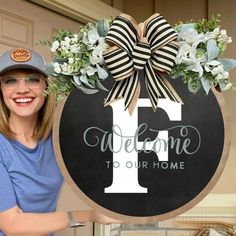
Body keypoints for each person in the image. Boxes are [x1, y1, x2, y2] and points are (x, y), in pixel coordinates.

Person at [0, 48, 118, 236]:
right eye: (10, 81)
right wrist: (88, 215)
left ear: (47, 86)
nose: (22, 89)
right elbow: (12, 225)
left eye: (33, 79)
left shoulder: (59, 138)